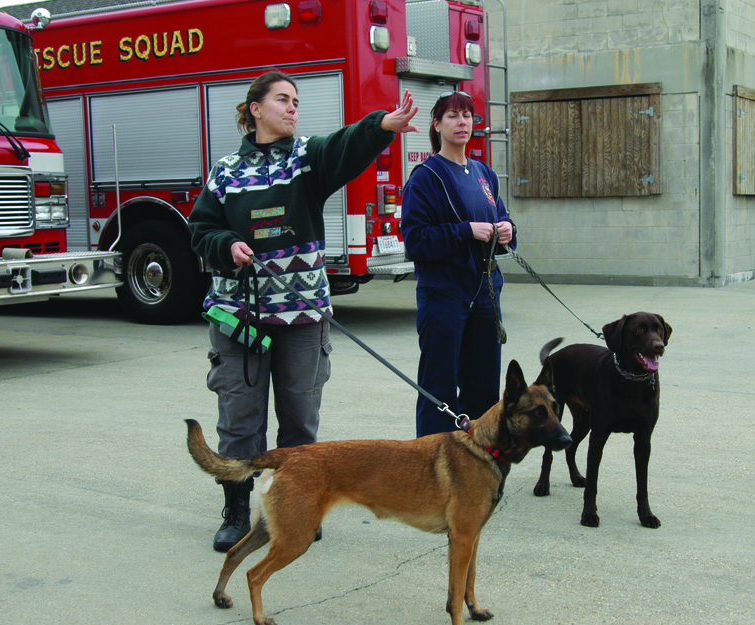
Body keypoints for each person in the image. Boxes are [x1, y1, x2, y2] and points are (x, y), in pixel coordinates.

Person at [188, 71, 418, 551]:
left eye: (296, 101)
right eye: (282, 100)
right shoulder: (227, 171)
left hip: (302, 317)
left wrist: (382, 126)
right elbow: (200, 230)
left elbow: (344, 145)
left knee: (299, 418)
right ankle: (236, 511)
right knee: (240, 419)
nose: (293, 108)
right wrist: (226, 243)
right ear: (255, 108)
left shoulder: (307, 158)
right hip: (239, 318)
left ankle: (296, 508)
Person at [400, 90, 516, 438]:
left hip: (484, 294)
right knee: (439, 386)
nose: (462, 122)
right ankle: (430, 467)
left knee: (483, 385)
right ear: (437, 124)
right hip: (444, 295)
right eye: (452, 115)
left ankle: (477, 462)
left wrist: (508, 230)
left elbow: (500, 218)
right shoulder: (426, 177)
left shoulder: (485, 175)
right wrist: (465, 231)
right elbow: (416, 240)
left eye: (467, 115)